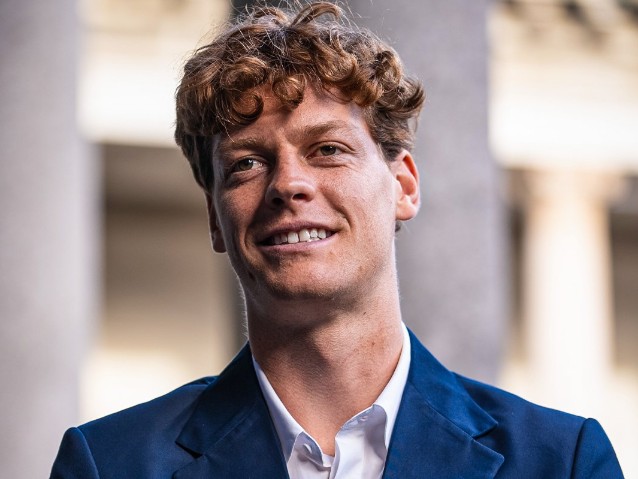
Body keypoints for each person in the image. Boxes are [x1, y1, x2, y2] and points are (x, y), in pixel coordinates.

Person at [50, 2, 624, 478]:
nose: (288, 184)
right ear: (215, 218)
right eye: (247, 163)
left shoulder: (559, 461)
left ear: (403, 186)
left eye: (327, 149)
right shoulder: (110, 464)